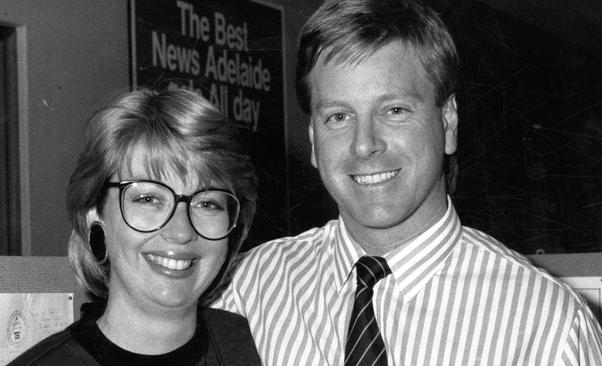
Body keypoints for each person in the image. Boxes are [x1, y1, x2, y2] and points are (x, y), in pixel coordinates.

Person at [209, 0, 602, 365]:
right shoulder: (248, 289)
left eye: (394, 110)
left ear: (448, 123)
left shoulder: (547, 327)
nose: (364, 145)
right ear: (313, 139)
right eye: (339, 117)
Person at [10, 87, 260, 365]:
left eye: (208, 203)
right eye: (149, 198)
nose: (181, 232)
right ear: (95, 216)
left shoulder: (248, 345)